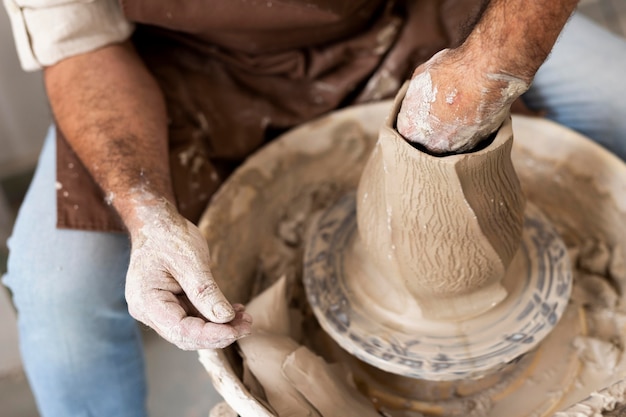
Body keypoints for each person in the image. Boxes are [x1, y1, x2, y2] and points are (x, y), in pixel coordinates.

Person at [2, 0, 626, 415]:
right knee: (60, 295)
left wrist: (489, 71)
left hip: (408, 17)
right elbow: (80, 46)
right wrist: (146, 211)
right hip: (180, 66)